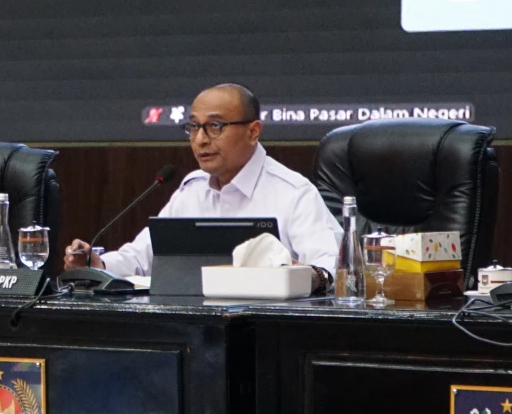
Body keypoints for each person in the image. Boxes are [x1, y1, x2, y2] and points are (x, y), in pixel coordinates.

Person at [64, 83, 341, 289]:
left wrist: (300, 275)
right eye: (194, 127)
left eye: (215, 126)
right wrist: (97, 264)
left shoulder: (293, 193)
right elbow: (142, 258)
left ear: (253, 131)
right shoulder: (192, 190)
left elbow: (332, 270)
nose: (200, 140)